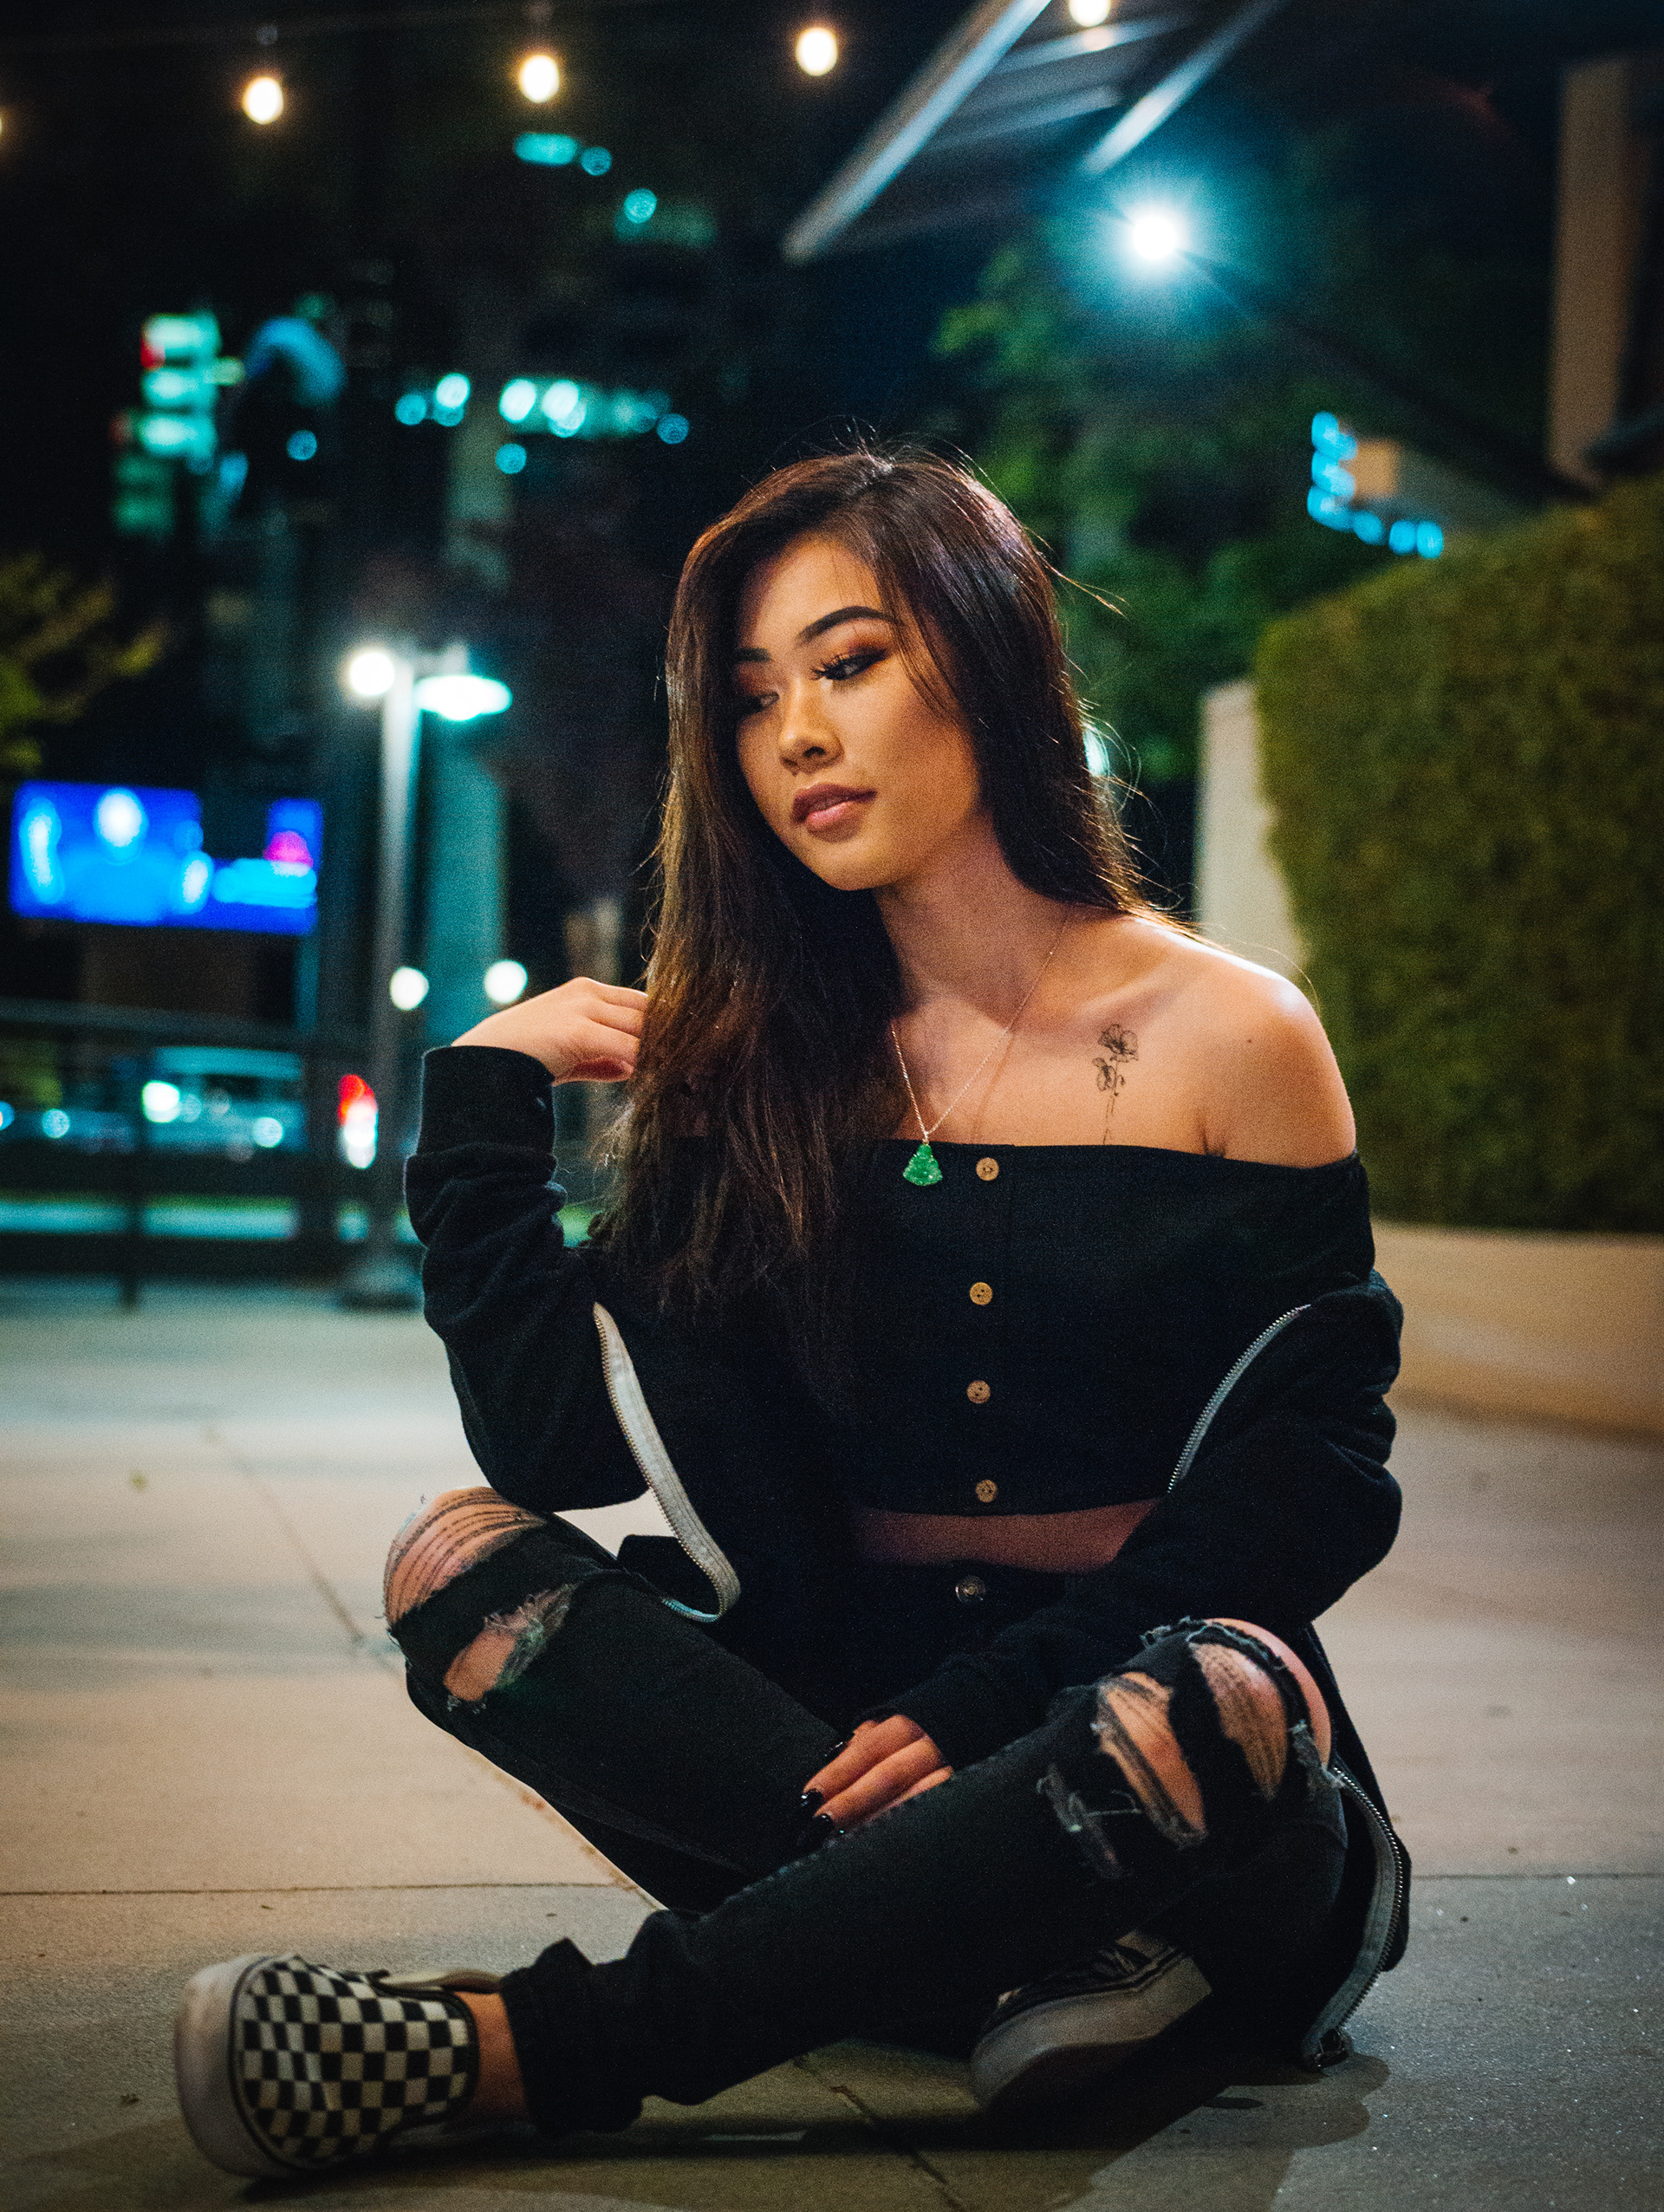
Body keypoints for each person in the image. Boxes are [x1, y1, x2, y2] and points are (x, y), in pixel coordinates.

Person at [173, 451, 1407, 2180]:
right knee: (459, 1574)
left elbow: (1314, 1481)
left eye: (849, 664)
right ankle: (1038, 1960)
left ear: (986, 658)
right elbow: (551, 1449)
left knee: (1221, 1695)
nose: (799, 736)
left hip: (1134, 1709)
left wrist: (993, 1707)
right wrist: (478, 1105)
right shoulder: (754, 1067)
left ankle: (528, 2051)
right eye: (753, 699)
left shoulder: (1232, 1034)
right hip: (832, 1742)